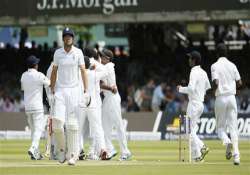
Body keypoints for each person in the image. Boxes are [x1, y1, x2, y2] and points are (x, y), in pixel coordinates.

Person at [50, 27, 88, 165]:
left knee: (72, 124)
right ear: (63, 38)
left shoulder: (78, 52)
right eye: (65, 36)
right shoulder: (57, 53)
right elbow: (54, 71)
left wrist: (86, 91)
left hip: (74, 90)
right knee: (57, 124)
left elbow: (83, 71)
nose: (68, 38)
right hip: (60, 90)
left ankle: (73, 154)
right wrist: (52, 89)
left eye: (70, 36)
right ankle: (61, 151)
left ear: (73, 38)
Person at [211, 43, 242, 165]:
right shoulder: (232, 65)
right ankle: (237, 157)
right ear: (226, 53)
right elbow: (239, 82)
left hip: (221, 98)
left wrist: (214, 89)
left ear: (217, 53)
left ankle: (226, 141)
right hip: (232, 98)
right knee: (233, 128)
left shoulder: (214, 66)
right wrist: (232, 87)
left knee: (220, 129)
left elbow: (216, 82)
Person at [177, 51, 211, 162]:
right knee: (192, 131)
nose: (189, 60)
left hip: (194, 104)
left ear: (194, 60)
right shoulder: (204, 72)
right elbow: (207, 88)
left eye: (190, 58)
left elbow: (191, 88)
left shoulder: (193, 71)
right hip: (200, 104)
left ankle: (202, 147)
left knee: (188, 131)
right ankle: (197, 156)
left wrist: (180, 89)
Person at [100, 49, 131, 160]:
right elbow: (100, 83)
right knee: (104, 125)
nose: (100, 58)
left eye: (102, 56)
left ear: (107, 58)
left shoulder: (108, 66)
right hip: (107, 99)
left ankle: (125, 151)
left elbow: (98, 78)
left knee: (118, 125)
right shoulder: (103, 67)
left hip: (113, 98)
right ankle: (110, 149)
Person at [78, 56, 108, 160]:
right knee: (97, 128)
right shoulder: (93, 73)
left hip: (80, 103)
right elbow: (106, 71)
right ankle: (103, 149)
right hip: (92, 104)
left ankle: (79, 150)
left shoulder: (78, 74)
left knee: (79, 129)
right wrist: (96, 63)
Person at [21, 55, 50, 160]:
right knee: (38, 129)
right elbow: (49, 83)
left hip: (27, 107)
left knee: (34, 131)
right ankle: (33, 148)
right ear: (35, 65)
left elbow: (23, 88)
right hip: (37, 106)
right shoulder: (39, 75)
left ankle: (36, 154)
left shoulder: (23, 75)